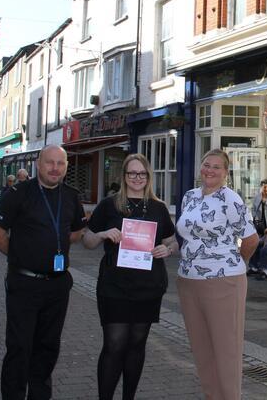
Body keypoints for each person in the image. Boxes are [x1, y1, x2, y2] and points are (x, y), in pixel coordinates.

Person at [0, 145, 86, 400]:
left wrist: (56, 244)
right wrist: (21, 256)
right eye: (50, 163)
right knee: (19, 347)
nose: (55, 168)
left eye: (60, 163)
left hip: (57, 286)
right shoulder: (18, 193)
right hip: (24, 283)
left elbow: (76, 232)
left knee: (48, 347)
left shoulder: (72, 196)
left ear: (66, 167)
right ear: (38, 164)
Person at [83, 153, 178, 400]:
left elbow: (171, 241)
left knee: (136, 346)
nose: (137, 178)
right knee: (114, 345)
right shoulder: (109, 204)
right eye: (132, 173)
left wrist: (167, 249)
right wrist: (103, 233)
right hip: (114, 286)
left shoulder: (158, 208)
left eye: (142, 173)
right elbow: (87, 241)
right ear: (124, 176)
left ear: (148, 176)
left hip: (148, 287)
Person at [176, 149, 259, 399]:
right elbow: (185, 234)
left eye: (216, 167)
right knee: (201, 349)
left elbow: (251, 238)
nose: (209, 170)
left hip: (223, 281)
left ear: (225, 173)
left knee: (226, 350)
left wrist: (236, 262)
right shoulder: (189, 197)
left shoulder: (230, 198)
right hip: (188, 281)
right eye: (205, 164)